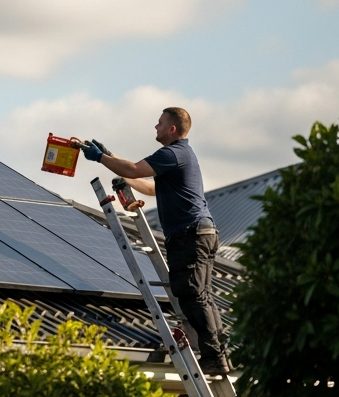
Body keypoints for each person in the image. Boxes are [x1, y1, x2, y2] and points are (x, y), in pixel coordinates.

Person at [83, 107, 231, 376]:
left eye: (160, 123)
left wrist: (101, 158)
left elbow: (136, 169)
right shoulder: (178, 156)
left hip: (190, 234)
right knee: (201, 296)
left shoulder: (173, 153)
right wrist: (111, 158)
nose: (156, 126)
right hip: (200, 232)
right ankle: (217, 355)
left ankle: (214, 357)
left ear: (172, 129)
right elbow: (149, 185)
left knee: (193, 295)